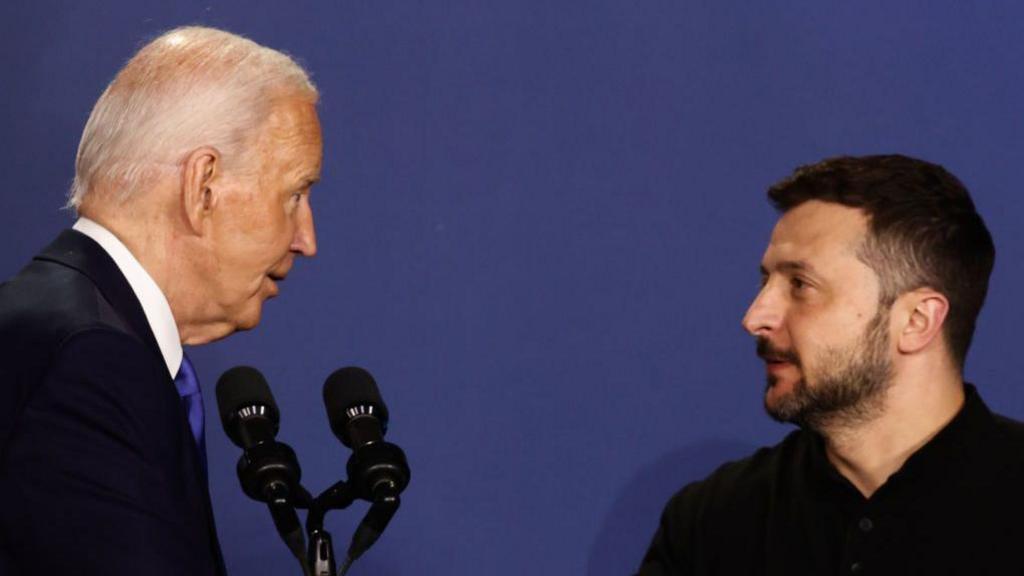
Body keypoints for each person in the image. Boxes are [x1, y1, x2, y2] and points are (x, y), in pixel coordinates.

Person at [0, 26, 321, 575]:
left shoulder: (56, 323)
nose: (306, 240)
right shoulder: (93, 365)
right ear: (203, 188)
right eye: (293, 194)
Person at [636, 155, 1024, 575]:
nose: (755, 318)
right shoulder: (710, 522)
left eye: (800, 285)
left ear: (916, 321)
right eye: (765, 281)